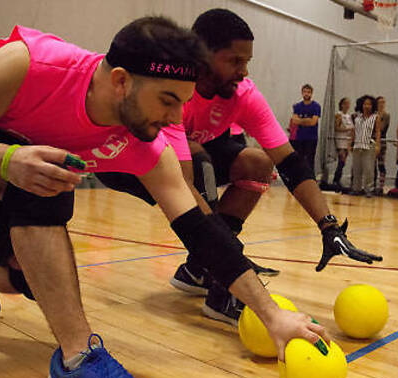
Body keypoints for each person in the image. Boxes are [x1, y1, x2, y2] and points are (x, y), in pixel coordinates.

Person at [0, 19, 328, 378]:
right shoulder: (31, 64)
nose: (176, 119)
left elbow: (202, 229)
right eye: (168, 100)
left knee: (35, 279)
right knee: (48, 182)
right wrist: (6, 161)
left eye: (182, 103)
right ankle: (77, 361)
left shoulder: (146, 143)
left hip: (9, 167)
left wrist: (272, 314)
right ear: (121, 81)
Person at [97, 9, 382, 324]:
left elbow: (290, 162)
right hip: (129, 163)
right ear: (202, 55)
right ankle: (221, 288)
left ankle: (198, 270)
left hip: (191, 160)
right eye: (235, 61)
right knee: (198, 162)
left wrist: (329, 227)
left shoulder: (244, 94)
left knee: (258, 163)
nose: (244, 71)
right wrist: (232, 261)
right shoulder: (174, 89)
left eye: (247, 62)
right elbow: (184, 192)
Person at [350, 95, 381, 197]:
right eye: (365, 104)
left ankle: (369, 190)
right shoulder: (357, 117)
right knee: (356, 169)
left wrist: (378, 145)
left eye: (369, 104)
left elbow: (378, 132)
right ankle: (356, 188)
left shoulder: (375, 117)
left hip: (369, 145)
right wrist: (351, 143)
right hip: (357, 145)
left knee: (368, 169)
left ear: (373, 106)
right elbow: (354, 131)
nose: (367, 106)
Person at [290, 83, 321, 175]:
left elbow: (313, 122)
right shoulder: (297, 106)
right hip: (299, 137)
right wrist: (307, 120)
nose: (306, 94)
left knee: (309, 160)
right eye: (304, 92)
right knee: (299, 159)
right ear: (302, 93)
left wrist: (301, 120)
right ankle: (299, 179)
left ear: (311, 93)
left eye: (308, 92)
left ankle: (310, 179)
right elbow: (294, 121)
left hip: (311, 138)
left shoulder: (316, 106)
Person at [332, 97, 353, 190]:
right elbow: (336, 128)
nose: (347, 106)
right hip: (340, 140)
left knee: (344, 161)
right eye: (345, 104)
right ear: (341, 105)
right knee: (342, 160)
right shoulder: (338, 115)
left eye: (348, 104)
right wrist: (349, 129)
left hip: (347, 140)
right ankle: (336, 179)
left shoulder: (348, 116)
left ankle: (338, 179)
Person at [374, 96, 390, 194]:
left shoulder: (386, 115)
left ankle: (381, 186)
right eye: (380, 102)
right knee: (372, 164)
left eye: (383, 102)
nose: (382, 104)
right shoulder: (373, 114)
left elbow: (382, 128)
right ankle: (373, 185)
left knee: (381, 164)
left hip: (382, 141)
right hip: (373, 141)